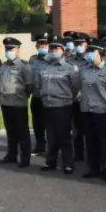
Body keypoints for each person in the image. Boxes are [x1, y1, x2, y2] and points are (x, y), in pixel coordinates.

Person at [36, 36, 79, 172]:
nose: (54, 50)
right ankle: (51, 162)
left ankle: (68, 164)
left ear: (63, 50)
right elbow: (38, 85)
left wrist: (67, 98)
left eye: (57, 48)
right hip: (48, 105)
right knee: (51, 136)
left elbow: (76, 87)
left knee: (64, 136)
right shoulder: (43, 67)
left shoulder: (69, 67)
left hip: (63, 106)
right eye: (52, 47)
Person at [79, 39, 106, 181]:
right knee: (90, 141)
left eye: (93, 51)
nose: (90, 54)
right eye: (88, 51)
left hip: (103, 111)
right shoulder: (83, 69)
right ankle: (93, 168)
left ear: (100, 53)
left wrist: (105, 102)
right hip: (87, 110)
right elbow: (79, 87)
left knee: (105, 143)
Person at [0, 36, 35, 167]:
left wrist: (21, 96)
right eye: (7, 49)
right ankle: (11, 155)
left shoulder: (24, 66)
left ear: (18, 50)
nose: (8, 51)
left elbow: (29, 86)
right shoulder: (3, 66)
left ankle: (25, 158)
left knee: (22, 132)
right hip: (6, 104)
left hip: (18, 104)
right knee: (10, 132)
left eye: (11, 49)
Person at [68, 32, 90, 164]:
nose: (78, 47)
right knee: (76, 130)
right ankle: (78, 153)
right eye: (76, 44)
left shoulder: (91, 59)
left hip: (88, 101)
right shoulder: (69, 61)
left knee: (89, 129)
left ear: (86, 45)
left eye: (80, 44)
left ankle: (92, 153)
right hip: (75, 100)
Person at [28, 33, 50, 155]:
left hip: (48, 97)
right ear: (36, 46)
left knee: (50, 124)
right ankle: (40, 146)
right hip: (36, 96)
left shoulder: (51, 60)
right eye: (40, 44)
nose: (43, 47)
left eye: (45, 44)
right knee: (37, 124)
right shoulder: (32, 59)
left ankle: (52, 148)